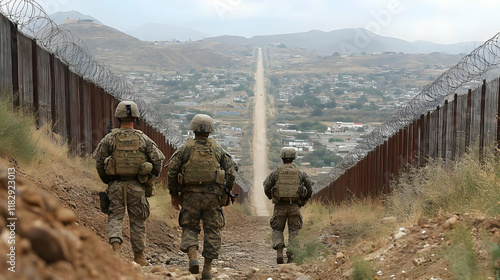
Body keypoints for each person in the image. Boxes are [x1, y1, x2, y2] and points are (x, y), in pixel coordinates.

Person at [93, 100, 165, 266]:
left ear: (118, 118)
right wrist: (149, 176)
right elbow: (158, 161)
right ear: (136, 119)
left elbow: (99, 161)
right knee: (138, 221)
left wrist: (107, 179)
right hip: (136, 186)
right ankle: (139, 257)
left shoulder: (110, 138)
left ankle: (116, 253)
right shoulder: (143, 139)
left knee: (115, 218)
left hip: (116, 186)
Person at [166, 114, 236, 279]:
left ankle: (193, 257)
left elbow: (172, 170)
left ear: (193, 129)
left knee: (190, 227)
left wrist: (174, 193)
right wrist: (226, 192)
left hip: (190, 197)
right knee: (212, 230)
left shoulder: (185, 149)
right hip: (213, 197)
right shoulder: (218, 150)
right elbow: (231, 173)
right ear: (210, 130)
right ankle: (207, 269)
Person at [263, 147, 314, 264]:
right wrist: (305, 198)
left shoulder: (276, 172)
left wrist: (271, 196)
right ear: (294, 157)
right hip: (294, 206)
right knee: (294, 231)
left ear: (282, 158)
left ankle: (279, 251)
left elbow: (266, 186)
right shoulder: (300, 172)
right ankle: (291, 257)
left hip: (279, 206)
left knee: (277, 229)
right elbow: (310, 187)